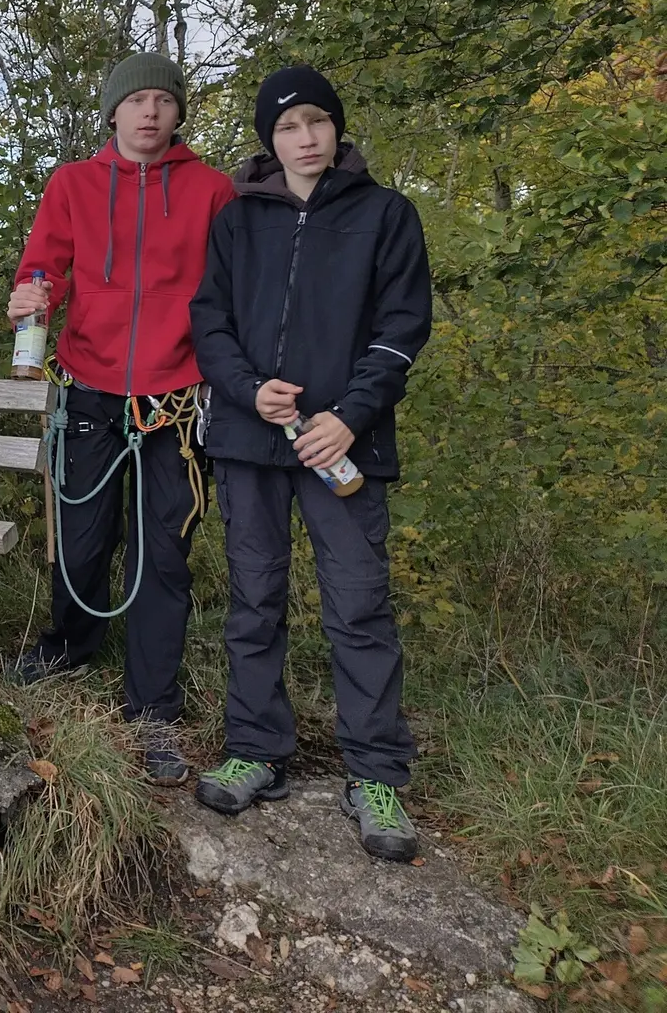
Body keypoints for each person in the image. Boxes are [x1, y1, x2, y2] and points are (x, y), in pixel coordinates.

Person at [189, 67, 431, 862]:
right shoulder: (237, 220)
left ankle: (376, 775)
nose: (305, 138)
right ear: (270, 137)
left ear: (336, 130)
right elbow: (209, 321)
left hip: (342, 445)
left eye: (318, 122)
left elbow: (402, 330)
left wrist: (347, 418)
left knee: (358, 605)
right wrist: (250, 390)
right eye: (289, 126)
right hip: (250, 442)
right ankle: (257, 750)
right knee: (254, 600)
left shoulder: (386, 215)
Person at [4, 51, 235, 785]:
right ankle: (72, 645)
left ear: (177, 114)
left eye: (163, 102)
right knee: (80, 543)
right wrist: (31, 298)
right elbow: (44, 268)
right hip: (89, 390)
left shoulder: (213, 191)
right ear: (113, 111)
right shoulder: (73, 183)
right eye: (136, 100)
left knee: (161, 556)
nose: (149, 112)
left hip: (176, 400)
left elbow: (231, 292)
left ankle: (153, 709)